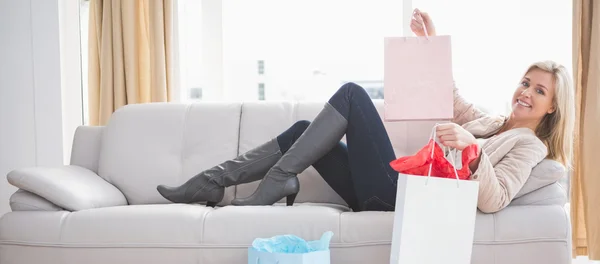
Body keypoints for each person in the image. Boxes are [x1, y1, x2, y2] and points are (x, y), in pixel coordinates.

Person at [157, 9, 575, 214]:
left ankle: (278, 181)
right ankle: (213, 182)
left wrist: (475, 150)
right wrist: (428, 45)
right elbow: (452, 100)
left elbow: (495, 199)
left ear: (553, 106)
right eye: (525, 82)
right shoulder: (494, 122)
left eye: (539, 91)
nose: (526, 93)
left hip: (402, 200)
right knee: (305, 129)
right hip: (382, 193)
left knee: (353, 95)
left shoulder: (531, 147)